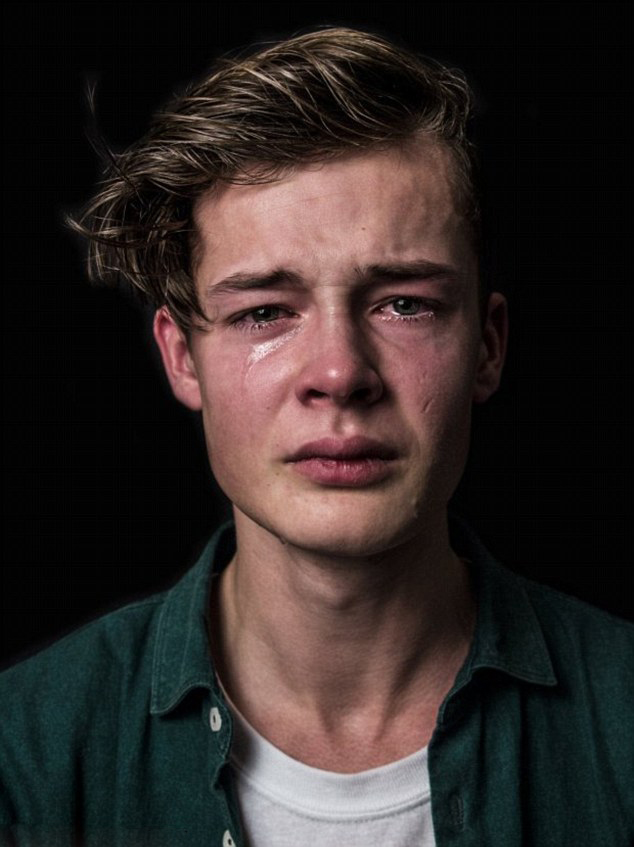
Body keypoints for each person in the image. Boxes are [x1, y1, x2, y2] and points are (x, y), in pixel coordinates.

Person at [0, 26, 632, 847]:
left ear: (488, 344)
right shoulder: (26, 756)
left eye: (404, 303)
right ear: (181, 357)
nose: (339, 373)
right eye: (265, 311)